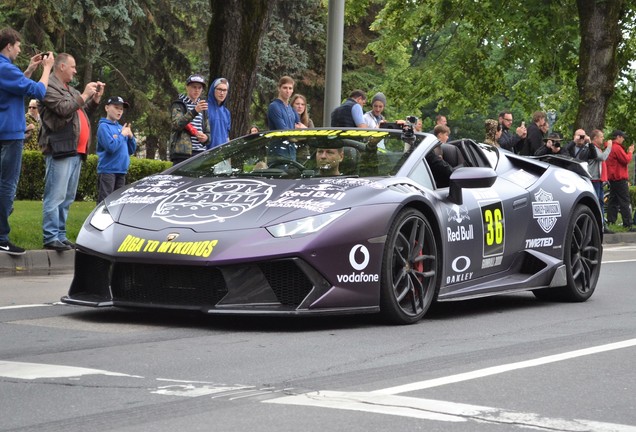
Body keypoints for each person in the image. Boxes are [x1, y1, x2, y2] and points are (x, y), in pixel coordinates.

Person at [39, 52, 104, 251]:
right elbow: (63, 109)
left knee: (66, 197)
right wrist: (84, 95)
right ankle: (50, 236)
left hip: (75, 150)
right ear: (61, 67)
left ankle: (60, 234)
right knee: (55, 195)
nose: (76, 70)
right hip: (60, 148)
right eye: (73, 66)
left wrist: (93, 100)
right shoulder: (49, 86)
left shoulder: (69, 89)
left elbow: (79, 113)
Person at [0, 27, 54, 255]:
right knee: (6, 186)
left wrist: (31, 69)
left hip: (5, 134)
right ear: (9, 45)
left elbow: (15, 88)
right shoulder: (4, 67)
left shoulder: (6, 71)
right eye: (18, 45)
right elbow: (38, 92)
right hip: (9, 135)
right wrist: (47, 69)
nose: (20, 49)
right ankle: (1, 237)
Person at [96, 96, 137, 204]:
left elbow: (131, 150)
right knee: (105, 203)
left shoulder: (120, 127)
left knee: (117, 204)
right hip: (108, 171)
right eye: (116, 107)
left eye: (121, 109)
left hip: (121, 171)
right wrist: (122, 135)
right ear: (107, 108)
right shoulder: (103, 127)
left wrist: (131, 137)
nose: (119, 111)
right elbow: (111, 147)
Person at [169, 74, 210, 164]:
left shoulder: (203, 107)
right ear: (187, 87)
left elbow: (208, 132)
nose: (197, 90)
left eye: (199, 88)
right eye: (194, 87)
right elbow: (176, 124)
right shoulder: (179, 104)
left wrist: (205, 138)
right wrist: (194, 111)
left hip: (200, 152)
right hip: (182, 153)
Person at [606, 130, 635, 231]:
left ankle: (611, 221)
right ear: (618, 137)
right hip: (619, 178)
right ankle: (628, 224)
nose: (623, 139)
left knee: (613, 201)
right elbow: (626, 160)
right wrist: (630, 151)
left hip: (613, 179)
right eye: (622, 137)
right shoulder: (617, 147)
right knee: (624, 201)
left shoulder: (610, 147)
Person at [588, 129, 613, 233]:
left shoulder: (597, 148)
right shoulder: (592, 148)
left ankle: (602, 224)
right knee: (597, 202)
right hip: (594, 179)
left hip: (599, 180)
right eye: (601, 136)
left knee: (601, 202)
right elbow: (602, 157)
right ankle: (597, 224)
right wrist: (609, 148)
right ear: (595, 138)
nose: (603, 138)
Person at [206, 77, 231, 149]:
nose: (222, 93)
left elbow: (227, 137)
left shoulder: (226, 112)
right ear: (213, 90)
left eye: (225, 90)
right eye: (219, 89)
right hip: (206, 154)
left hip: (222, 155)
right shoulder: (204, 108)